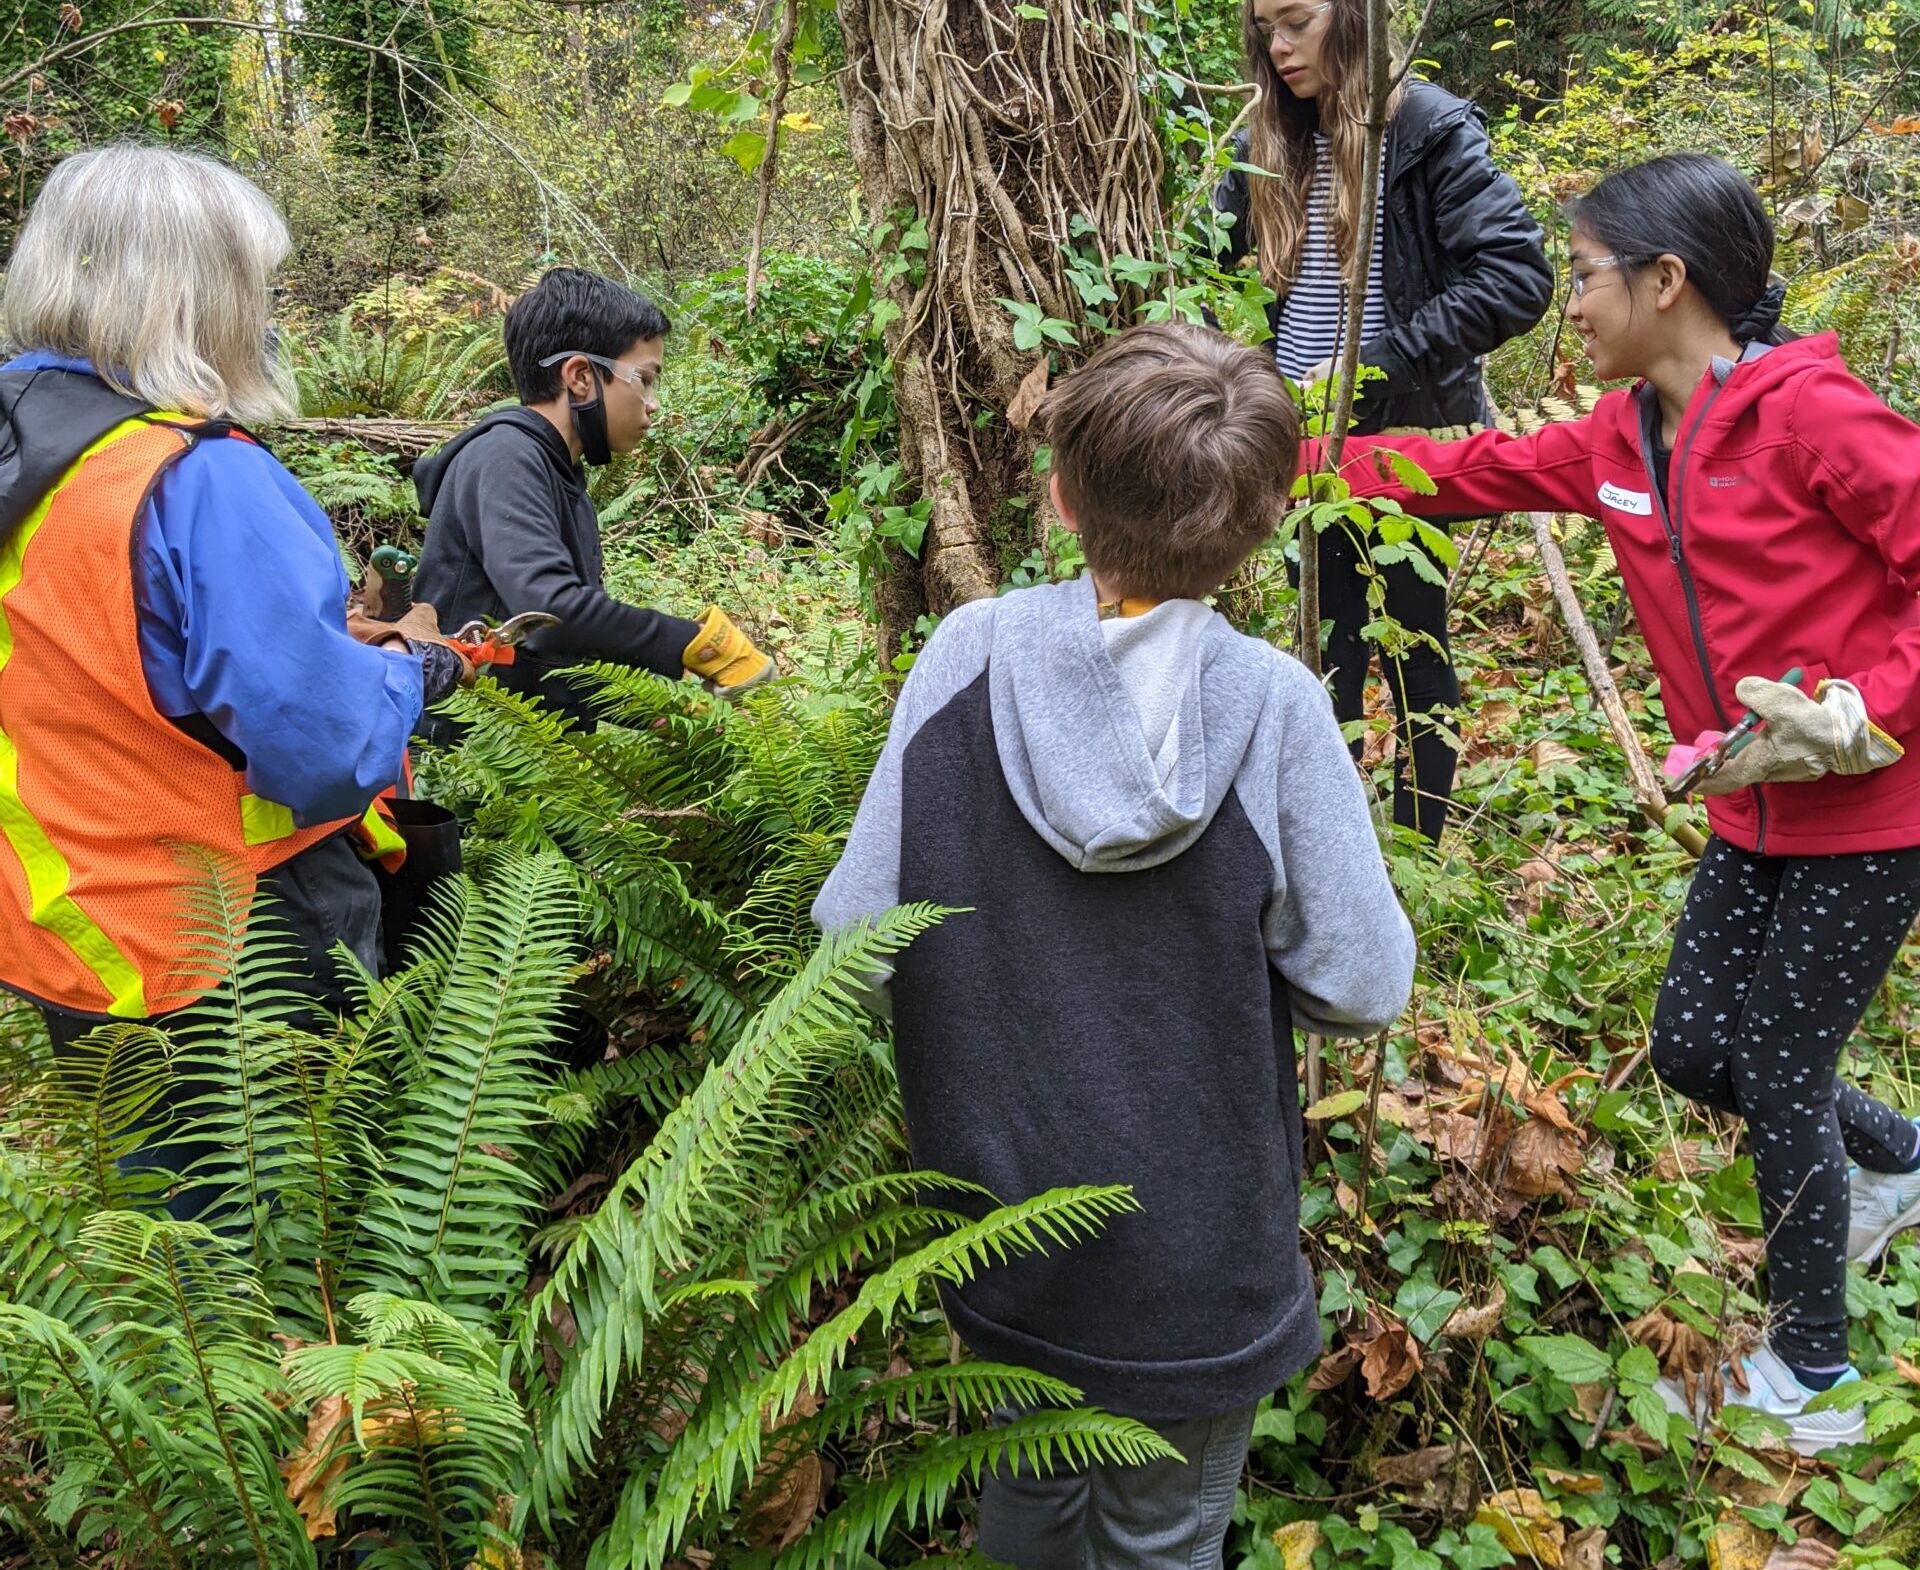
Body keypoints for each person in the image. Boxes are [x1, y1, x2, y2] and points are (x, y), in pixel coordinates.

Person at [1321, 152, 1920, 1454]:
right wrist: (1298, 462)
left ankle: (1814, 1378)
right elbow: (1469, 469)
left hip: (1877, 809)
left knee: (1778, 1063)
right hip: (1749, 803)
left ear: (1666, 280)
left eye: (1586, 274)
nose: (1571, 303)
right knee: (1699, 1049)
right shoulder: (1621, 437)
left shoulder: (1809, 416)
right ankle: (1898, 1156)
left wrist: (1866, 706)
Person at [814, 323, 1414, 1568]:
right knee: (1165, 1536)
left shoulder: (964, 656)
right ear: (1262, 527)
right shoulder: (1274, 706)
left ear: (1061, 497)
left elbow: (853, 943)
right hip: (1200, 1265)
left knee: (1027, 1505)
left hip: (1003, 1232)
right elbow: (1362, 983)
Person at [0, 143, 470, 1209]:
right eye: (256, 284)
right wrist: (410, 669)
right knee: (290, 1228)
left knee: (164, 1245)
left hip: (65, 924)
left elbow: (90, 658)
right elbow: (323, 748)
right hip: (231, 937)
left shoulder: (26, 458)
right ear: (196, 294)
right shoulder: (199, 476)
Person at [1213, 0, 1553, 840]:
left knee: (1413, 643)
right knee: (1328, 644)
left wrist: (1374, 364)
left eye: (1298, 22)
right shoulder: (1271, 140)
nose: (1279, 48)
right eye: (1266, 30)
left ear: (1354, 11)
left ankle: (1416, 842)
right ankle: (1336, 844)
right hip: (1297, 441)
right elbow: (1204, 266)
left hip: (1404, 438)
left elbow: (1517, 275)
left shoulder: (1426, 129)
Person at [411, 266, 771, 731]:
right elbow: (549, 611)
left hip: (523, 752)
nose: (653, 403)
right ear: (581, 376)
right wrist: (698, 644)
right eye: (644, 378)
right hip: (464, 761)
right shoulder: (506, 457)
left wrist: (656, 710)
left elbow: (550, 653)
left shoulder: (558, 473)